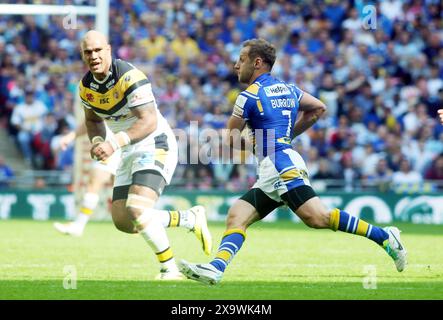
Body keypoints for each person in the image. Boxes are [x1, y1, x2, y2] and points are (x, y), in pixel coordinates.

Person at [179, 39, 407, 285]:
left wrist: (256, 143)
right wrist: (287, 137)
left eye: (241, 59)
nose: (236, 65)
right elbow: (318, 108)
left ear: (257, 63)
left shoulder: (248, 96)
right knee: (237, 215)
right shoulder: (289, 89)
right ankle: (216, 268)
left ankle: (385, 236)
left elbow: (232, 139)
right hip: (278, 162)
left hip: (279, 164)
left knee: (318, 218)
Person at [76, 30, 212, 280]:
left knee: (138, 208)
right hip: (127, 148)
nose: (93, 56)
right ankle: (187, 218)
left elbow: (148, 120)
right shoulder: (86, 87)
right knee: (124, 221)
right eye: (88, 52)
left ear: (108, 49)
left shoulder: (130, 76)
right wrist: (97, 141)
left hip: (155, 143)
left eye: (98, 50)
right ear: (82, 55)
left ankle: (169, 268)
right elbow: (92, 119)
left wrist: (114, 143)